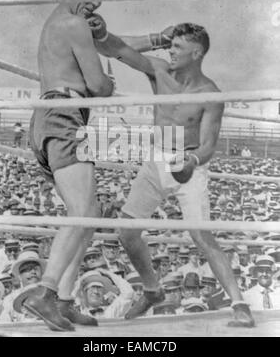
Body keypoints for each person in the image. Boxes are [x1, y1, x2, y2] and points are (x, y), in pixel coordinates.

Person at [23, 0, 166, 331]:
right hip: (65, 115)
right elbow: (99, 86)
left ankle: (65, 300)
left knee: (87, 212)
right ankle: (45, 291)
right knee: (84, 213)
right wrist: (105, 84)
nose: (95, 5)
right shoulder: (72, 23)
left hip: (50, 116)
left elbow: (111, 44)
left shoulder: (63, 21)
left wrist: (155, 39)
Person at [92, 21, 255, 326]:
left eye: (177, 47)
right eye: (170, 45)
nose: (170, 51)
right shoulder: (159, 70)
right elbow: (110, 47)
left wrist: (191, 161)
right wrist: (151, 37)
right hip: (157, 159)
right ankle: (152, 289)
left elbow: (208, 144)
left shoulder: (210, 94)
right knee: (126, 233)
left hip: (190, 163)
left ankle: (240, 303)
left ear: (196, 53)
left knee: (201, 236)